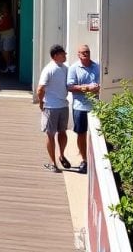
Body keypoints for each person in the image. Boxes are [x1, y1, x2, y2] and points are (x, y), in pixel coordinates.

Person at [67, 44, 100, 174]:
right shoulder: (74, 68)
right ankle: (84, 160)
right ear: (78, 54)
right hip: (80, 106)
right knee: (81, 133)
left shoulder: (97, 66)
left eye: (87, 52)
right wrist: (86, 88)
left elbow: (101, 83)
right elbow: (70, 87)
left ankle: (95, 159)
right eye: (82, 52)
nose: (85, 54)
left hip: (95, 106)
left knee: (97, 134)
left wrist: (96, 87)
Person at [37, 44, 71, 173]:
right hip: (57, 106)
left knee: (53, 134)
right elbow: (40, 88)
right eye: (63, 54)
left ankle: (56, 161)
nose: (65, 56)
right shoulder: (50, 69)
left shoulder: (63, 68)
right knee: (60, 132)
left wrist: (41, 102)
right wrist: (42, 101)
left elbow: (40, 89)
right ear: (56, 56)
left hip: (55, 106)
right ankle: (57, 158)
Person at [0, 4, 17, 75]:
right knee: (4, 51)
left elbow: (1, 27)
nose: (2, 9)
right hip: (4, 35)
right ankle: (9, 66)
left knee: (5, 51)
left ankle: (10, 66)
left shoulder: (8, 17)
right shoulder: (3, 17)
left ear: (7, 9)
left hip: (8, 35)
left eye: (4, 8)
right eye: (2, 8)